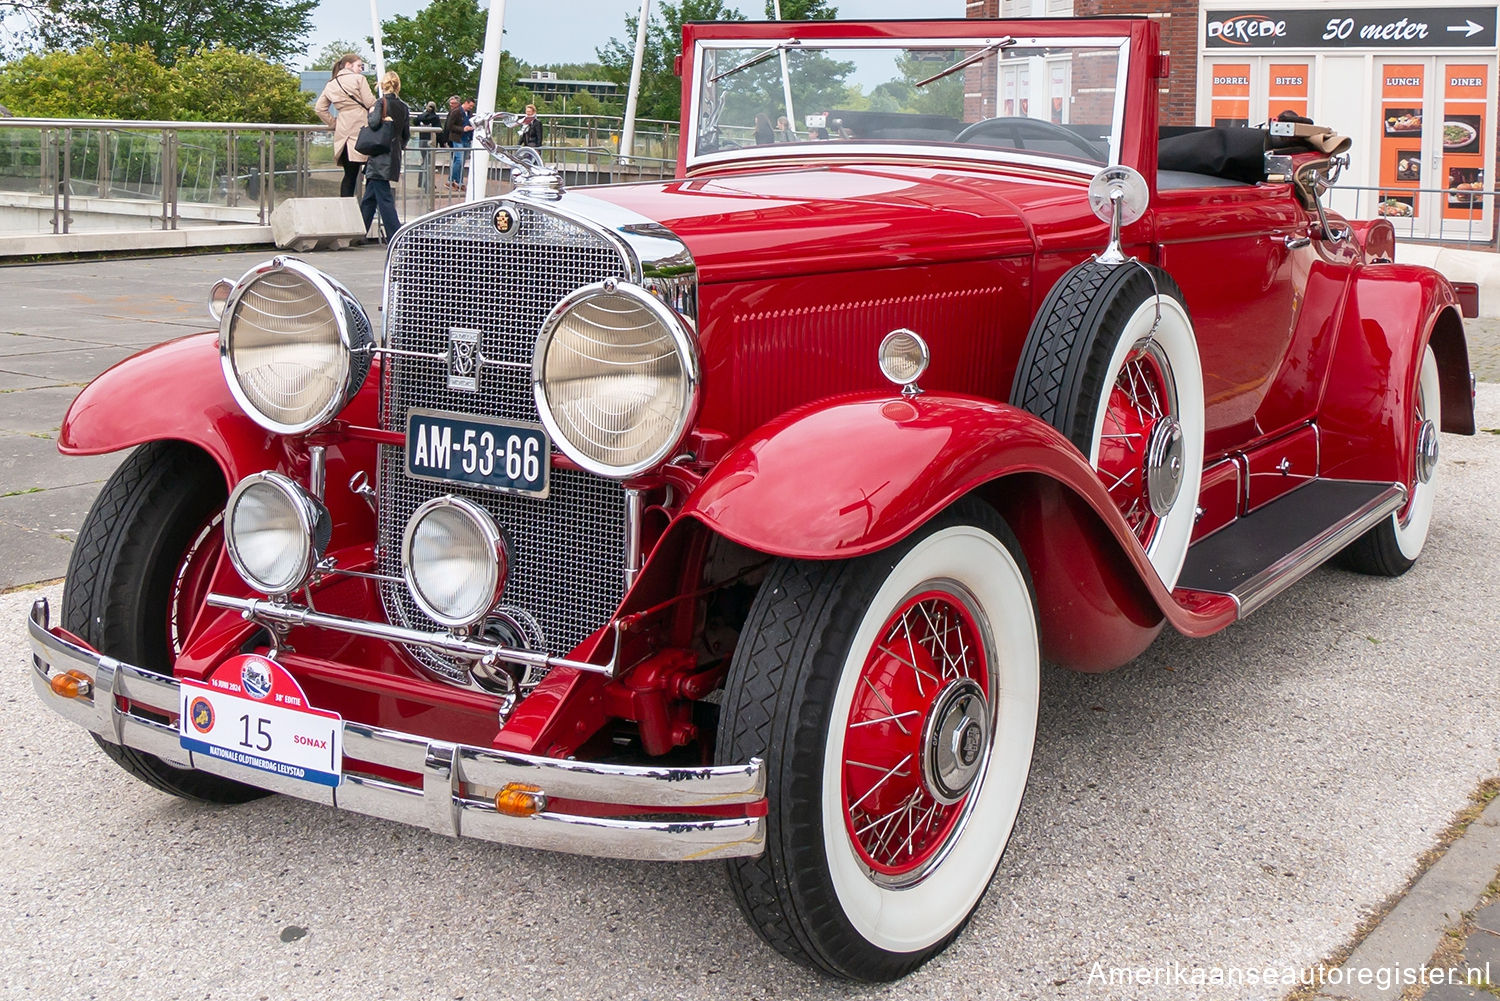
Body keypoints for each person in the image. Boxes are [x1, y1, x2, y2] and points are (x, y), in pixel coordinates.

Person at [314, 53, 376, 198]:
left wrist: (334, 123)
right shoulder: (359, 79)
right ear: (349, 65)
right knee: (372, 173)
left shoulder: (331, 84)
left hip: (343, 131)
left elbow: (319, 108)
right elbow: (369, 102)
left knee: (349, 176)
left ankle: (345, 209)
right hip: (363, 129)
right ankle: (368, 210)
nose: (361, 69)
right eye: (359, 66)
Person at [361, 71, 411, 241]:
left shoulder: (380, 103)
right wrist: (397, 147)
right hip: (393, 154)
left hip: (378, 156)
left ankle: (395, 234)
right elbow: (406, 134)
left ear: (382, 85)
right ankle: (360, 232)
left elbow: (373, 123)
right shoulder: (404, 107)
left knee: (383, 198)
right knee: (370, 197)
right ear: (398, 86)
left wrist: (371, 112)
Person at [445, 96, 474, 189]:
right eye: (470, 105)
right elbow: (450, 126)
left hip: (466, 139)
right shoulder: (456, 112)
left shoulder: (469, 113)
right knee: (459, 159)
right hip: (458, 138)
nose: (471, 108)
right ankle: (453, 180)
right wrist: (462, 129)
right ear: (466, 103)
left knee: (461, 161)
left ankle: (457, 181)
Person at [414, 100, 442, 189]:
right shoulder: (435, 118)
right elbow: (439, 131)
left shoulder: (420, 117)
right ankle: (428, 183)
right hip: (431, 142)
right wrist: (442, 142)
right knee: (430, 163)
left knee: (424, 161)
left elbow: (415, 122)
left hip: (422, 141)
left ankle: (420, 182)